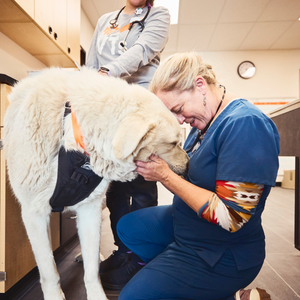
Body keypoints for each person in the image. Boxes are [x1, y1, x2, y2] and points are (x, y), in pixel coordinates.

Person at [116, 52, 279, 300]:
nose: (180, 120)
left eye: (179, 109)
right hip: (190, 224)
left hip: (221, 252)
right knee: (127, 227)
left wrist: (166, 177)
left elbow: (232, 217)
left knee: (131, 298)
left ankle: (218, 290)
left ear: (200, 85)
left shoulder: (245, 125)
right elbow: (193, 182)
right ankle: (180, 281)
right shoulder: (203, 123)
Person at [85, 0, 170, 289]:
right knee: (115, 184)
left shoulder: (159, 14)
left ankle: (142, 256)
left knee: (142, 182)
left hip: (139, 107)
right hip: (110, 109)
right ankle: (124, 251)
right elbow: (91, 64)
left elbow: (142, 50)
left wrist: (108, 73)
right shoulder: (106, 19)